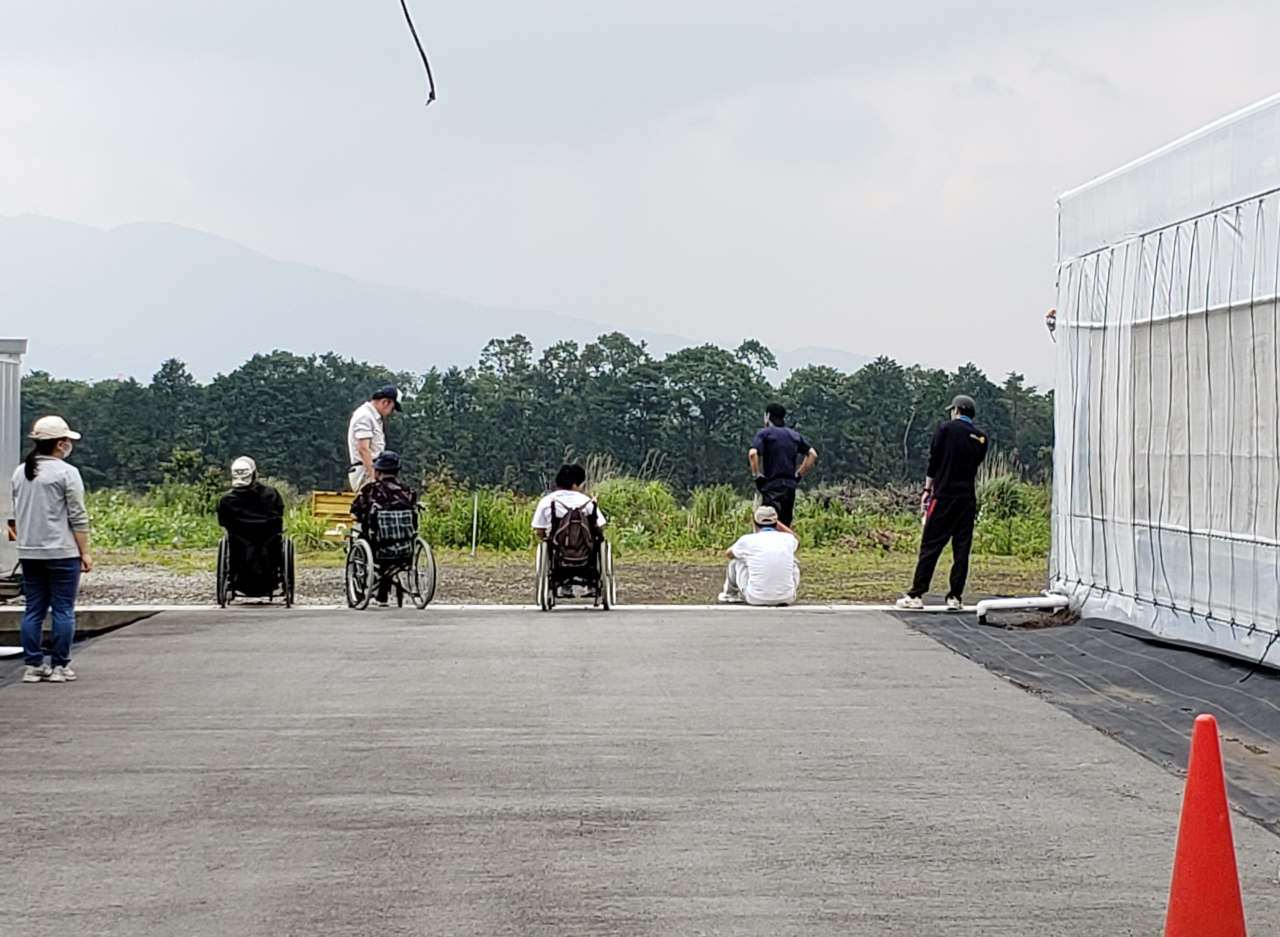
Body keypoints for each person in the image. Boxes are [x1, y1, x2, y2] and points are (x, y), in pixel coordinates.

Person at [12, 416, 91, 684]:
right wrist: (85, 551)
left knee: (33, 610)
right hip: (62, 551)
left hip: (29, 551)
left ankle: (33, 665)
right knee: (63, 610)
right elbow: (77, 516)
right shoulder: (67, 473)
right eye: (67, 441)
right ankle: (60, 666)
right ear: (60, 444)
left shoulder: (20, 471)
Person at [896, 394, 989, 610]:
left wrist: (927, 489)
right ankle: (955, 597)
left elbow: (934, 460)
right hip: (967, 498)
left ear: (956, 410)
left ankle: (916, 594)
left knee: (931, 545)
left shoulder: (945, 429)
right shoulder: (981, 437)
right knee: (962, 549)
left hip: (944, 495)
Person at [349, 451, 418, 606]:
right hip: (404, 548)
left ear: (378, 471)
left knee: (367, 537)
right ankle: (382, 595)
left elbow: (354, 515)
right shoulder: (409, 493)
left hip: (377, 547)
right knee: (389, 548)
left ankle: (362, 591)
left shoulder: (370, 491)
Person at [531, 463, 606, 598]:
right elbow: (600, 528)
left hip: (559, 551)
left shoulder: (547, 501)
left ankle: (563, 585)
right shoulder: (586, 502)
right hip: (586, 552)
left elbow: (539, 530)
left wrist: (548, 541)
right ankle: (592, 584)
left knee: (550, 542)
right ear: (576, 484)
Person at [216, 456, 286, 596]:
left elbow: (223, 522)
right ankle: (275, 579)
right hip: (268, 541)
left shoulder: (226, 500)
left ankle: (235, 579)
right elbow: (279, 514)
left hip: (239, 543)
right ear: (254, 473)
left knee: (234, 543)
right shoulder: (271, 494)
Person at [749, 403, 817, 527]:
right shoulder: (794, 435)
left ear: (768, 416)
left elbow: (753, 453)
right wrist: (799, 474)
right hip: (789, 486)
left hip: (772, 485)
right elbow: (812, 454)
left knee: (768, 522)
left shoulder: (765, 433)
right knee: (785, 524)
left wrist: (757, 475)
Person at [718, 504, 800, 606]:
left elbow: (729, 554)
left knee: (736, 561)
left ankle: (730, 594)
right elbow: (797, 540)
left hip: (755, 597)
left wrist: (747, 558)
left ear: (754, 523)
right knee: (794, 561)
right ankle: (785, 590)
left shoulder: (748, 540)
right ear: (776, 523)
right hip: (787, 598)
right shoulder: (788, 539)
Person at [347, 384, 402, 492]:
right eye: (393, 408)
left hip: (371, 469)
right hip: (366, 471)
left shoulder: (373, 417)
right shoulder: (365, 416)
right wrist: (373, 478)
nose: (392, 412)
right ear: (385, 402)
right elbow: (363, 449)